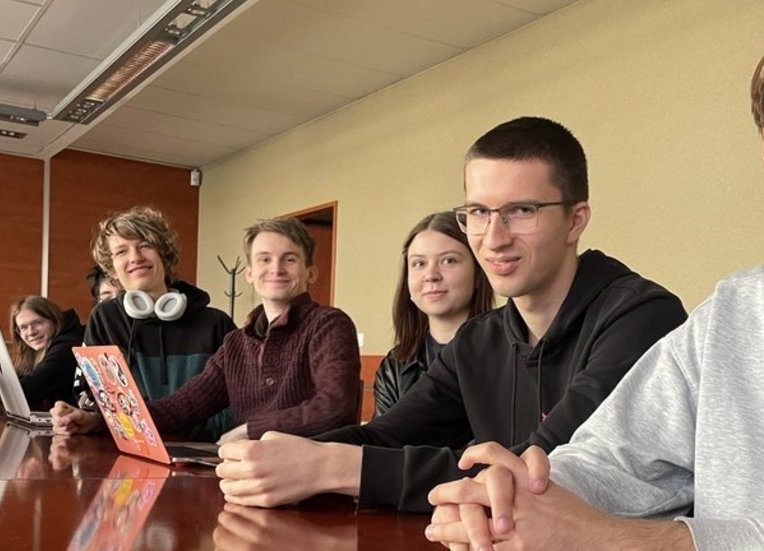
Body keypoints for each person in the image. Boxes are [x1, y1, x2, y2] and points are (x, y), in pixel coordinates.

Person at [425, 1, 764, 549]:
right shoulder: (734, 313)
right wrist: (515, 498)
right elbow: (615, 458)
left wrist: (648, 542)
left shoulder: (632, 307)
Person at [215, 116, 688, 512]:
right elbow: (390, 433)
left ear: (576, 220)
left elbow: (542, 469)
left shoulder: (642, 317)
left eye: (521, 210)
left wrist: (334, 467)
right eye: (478, 212)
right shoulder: (478, 339)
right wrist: (289, 454)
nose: (494, 237)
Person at [52, 217, 361, 442]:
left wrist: (249, 431)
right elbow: (181, 406)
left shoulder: (329, 324)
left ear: (311, 272)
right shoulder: (237, 343)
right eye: (264, 259)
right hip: (246, 471)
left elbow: (335, 407)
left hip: (306, 479)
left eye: (289, 259)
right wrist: (99, 423)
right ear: (250, 274)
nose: (276, 268)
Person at [57, 206, 236, 441]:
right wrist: (87, 419)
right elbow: (99, 402)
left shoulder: (216, 323)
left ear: (163, 253)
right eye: (121, 252)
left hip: (202, 454)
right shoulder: (105, 319)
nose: (135, 258)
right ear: (112, 268)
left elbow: (235, 406)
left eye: (145, 246)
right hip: (132, 452)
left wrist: (162, 427)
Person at [373, 211, 495, 418]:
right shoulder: (393, 367)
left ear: (478, 274)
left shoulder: (508, 355)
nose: (431, 275)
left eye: (448, 261)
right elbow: (382, 444)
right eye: (419, 264)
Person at [7, 296, 84, 409]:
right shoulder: (33, 351)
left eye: (38, 323)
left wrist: (1, 388)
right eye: (23, 328)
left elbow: (20, 395)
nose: (31, 332)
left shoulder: (68, 347)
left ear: (55, 320)